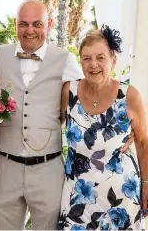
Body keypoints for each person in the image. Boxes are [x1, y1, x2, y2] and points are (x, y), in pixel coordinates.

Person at [0, 0, 83, 230]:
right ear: (15, 25)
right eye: (23, 24)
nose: (30, 30)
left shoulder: (65, 59)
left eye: (37, 24)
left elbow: (85, 99)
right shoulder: (0, 55)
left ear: (49, 25)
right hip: (6, 166)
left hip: (48, 168)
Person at [58, 25, 148, 230]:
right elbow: (51, 125)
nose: (93, 64)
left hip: (121, 198)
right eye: (87, 58)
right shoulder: (68, 91)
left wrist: (146, 184)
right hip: (76, 197)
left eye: (101, 57)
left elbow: (142, 141)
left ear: (113, 61)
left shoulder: (129, 95)